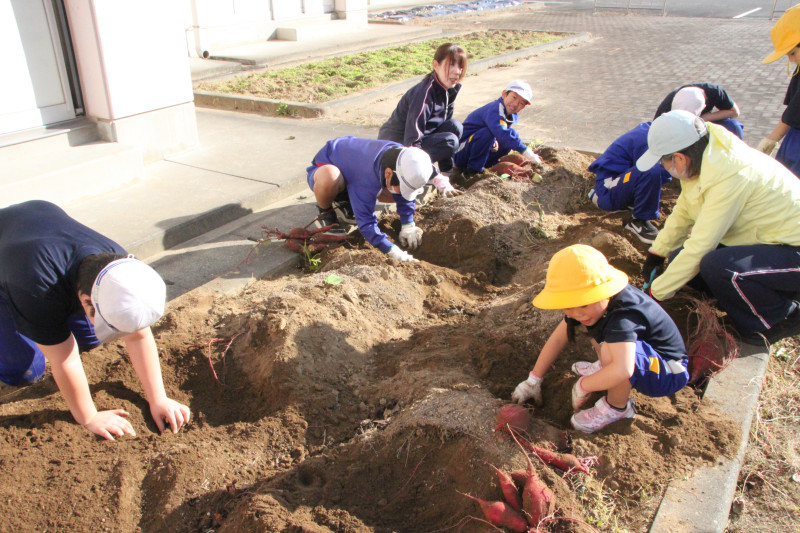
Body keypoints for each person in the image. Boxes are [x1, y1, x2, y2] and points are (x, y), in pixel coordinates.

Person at [0, 200, 190, 441]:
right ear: (86, 300)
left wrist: (158, 398)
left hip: (35, 233)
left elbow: (138, 334)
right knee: (24, 371)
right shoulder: (36, 286)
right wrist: (89, 417)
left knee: (91, 339)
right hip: (14, 267)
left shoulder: (120, 267)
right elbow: (64, 359)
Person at [636, 110, 800, 346]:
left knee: (720, 268)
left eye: (664, 160)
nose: (664, 166)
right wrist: (657, 253)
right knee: (679, 260)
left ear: (680, 158)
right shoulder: (703, 156)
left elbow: (702, 246)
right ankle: (754, 297)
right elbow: (684, 209)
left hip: (794, 250)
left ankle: (782, 316)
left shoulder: (732, 174)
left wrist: (653, 296)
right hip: (768, 241)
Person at [510, 244, 688, 433]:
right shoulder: (590, 305)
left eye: (585, 304)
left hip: (668, 372)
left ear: (603, 291)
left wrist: (584, 385)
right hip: (642, 357)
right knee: (598, 328)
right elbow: (557, 339)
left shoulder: (623, 317)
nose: (577, 313)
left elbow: (623, 368)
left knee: (615, 352)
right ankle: (605, 368)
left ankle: (617, 408)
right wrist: (533, 380)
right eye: (569, 306)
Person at [308, 136, 449, 262]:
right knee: (330, 177)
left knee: (394, 191)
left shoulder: (403, 158)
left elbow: (406, 187)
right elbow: (366, 223)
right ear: (388, 173)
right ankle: (325, 211)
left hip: (353, 172)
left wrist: (408, 224)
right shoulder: (365, 176)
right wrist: (391, 250)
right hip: (323, 167)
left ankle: (347, 202)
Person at [378, 43, 467, 174]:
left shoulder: (448, 90)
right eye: (451, 65)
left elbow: (442, 126)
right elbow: (412, 139)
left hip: (416, 140)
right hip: (395, 147)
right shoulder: (424, 94)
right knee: (450, 141)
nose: (457, 71)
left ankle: (447, 171)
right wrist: (427, 173)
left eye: (460, 66)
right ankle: (418, 171)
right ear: (436, 65)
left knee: (455, 126)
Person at [587, 122, 672, 244]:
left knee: (665, 169)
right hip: (607, 190)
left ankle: (634, 202)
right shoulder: (647, 140)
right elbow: (644, 171)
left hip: (621, 181)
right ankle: (639, 220)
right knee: (650, 170)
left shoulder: (657, 131)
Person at [452, 80, 542, 175]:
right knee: (490, 134)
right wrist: (526, 151)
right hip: (461, 152)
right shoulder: (495, 109)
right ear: (504, 94)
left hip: (476, 148)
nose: (515, 104)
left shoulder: (508, 114)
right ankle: (472, 171)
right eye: (514, 97)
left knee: (512, 134)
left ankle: (489, 165)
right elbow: (501, 132)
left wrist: (494, 139)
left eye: (521, 103)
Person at [758, 4, 800, 177]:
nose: (790, 59)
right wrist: (771, 140)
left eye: (792, 53)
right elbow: (792, 112)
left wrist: (770, 140)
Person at [654, 83, 743, 139]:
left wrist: (705, 118)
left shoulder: (714, 92)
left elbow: (735, 112)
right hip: (679, 131)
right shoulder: (667, 106)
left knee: (733, 125)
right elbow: (656, 133)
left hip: (704, 123)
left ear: (704, 105)